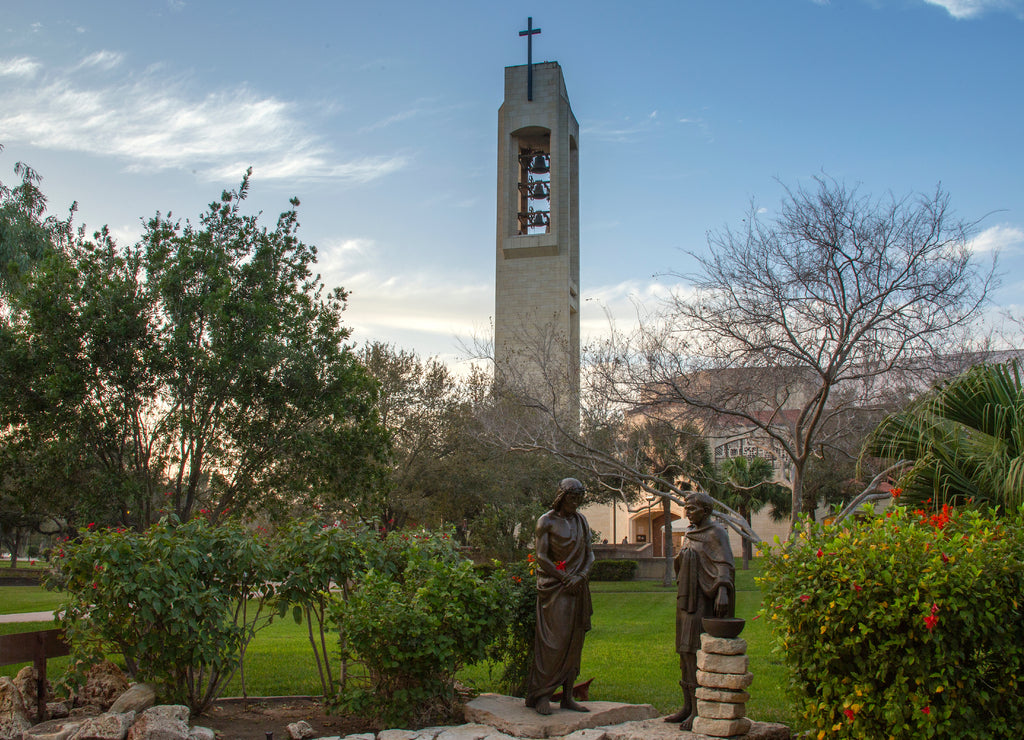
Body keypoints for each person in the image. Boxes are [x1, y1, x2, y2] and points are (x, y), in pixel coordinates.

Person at [664, 491, 736, 730]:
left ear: (706, 511)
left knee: (695, 650)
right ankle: (687, 705)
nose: (687, 513)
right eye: (686, 508)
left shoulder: (717, 533)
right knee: (684, 651)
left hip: (703, 599)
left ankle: (698, 709)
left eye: (692, 509)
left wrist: (723, 591)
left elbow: (725, 563)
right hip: (686, 598)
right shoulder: (690, 533)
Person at [524, 478, 594, 715]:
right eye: (572, 498)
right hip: (555, 588)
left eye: (579, 499)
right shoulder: (546, 521)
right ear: (562, 497)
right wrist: (565, 578)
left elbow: (590, 555)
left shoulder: (581, 521)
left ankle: (567, 696)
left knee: (575, 642)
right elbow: (541, 556)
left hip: (578, 588)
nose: (576, 503)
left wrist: (581, 576)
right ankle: (542, 694)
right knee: (553, 643)